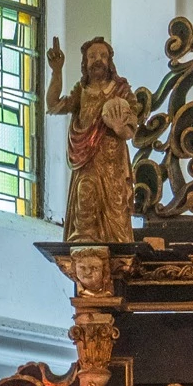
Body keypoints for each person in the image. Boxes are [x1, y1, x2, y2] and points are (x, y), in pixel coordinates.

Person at [46, 36, 141, 244]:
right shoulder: (81, 92)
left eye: (103, 56)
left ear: (110, 61)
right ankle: (84, 246)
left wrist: (118, 126)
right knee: (85, 199)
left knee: (116, 211)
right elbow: (53, 104)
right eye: (92, 56)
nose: (98, 60)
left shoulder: (121, 91)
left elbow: (130, 130)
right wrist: (57, 71)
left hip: (113, 166)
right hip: (86, 162)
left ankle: (119, 252)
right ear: (85, 62)